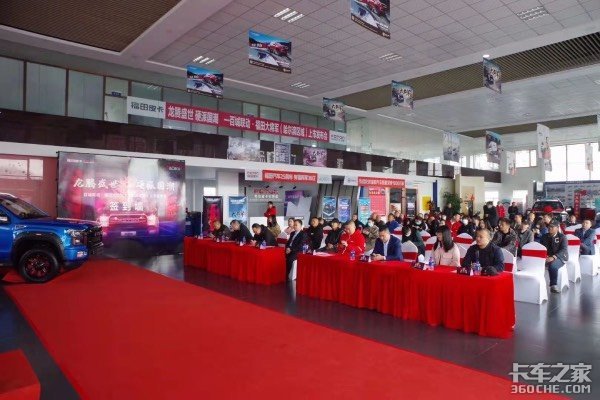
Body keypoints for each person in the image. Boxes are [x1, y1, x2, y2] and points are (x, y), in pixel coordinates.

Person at [540, 221, 568, 293]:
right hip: (547, 256)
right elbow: (541, 248)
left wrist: (554, 257)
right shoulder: (544, 236)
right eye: (549, 226)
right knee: (536, 263)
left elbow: (564, 250)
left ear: (557, 228)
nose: (550, 228)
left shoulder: (562, 237)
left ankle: (553, 285)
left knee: (553, 266)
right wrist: (545, 255)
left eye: (552, 227)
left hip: (560, 257)